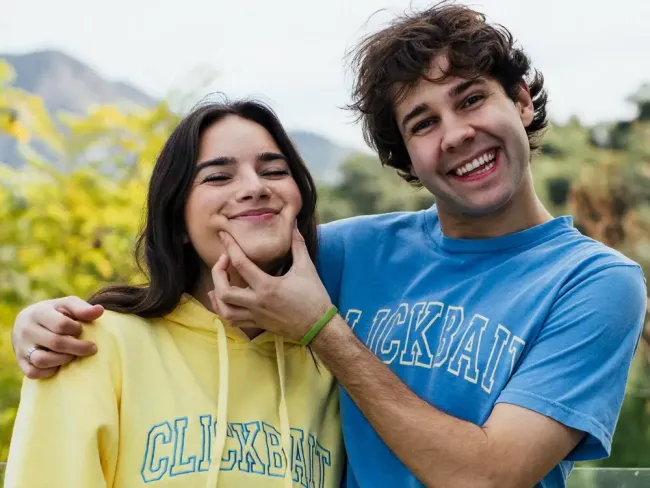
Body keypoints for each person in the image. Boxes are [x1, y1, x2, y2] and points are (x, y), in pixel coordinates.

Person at [8, 3, 648, 488]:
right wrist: (45, 325)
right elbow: (209, 278)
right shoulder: (344, 252)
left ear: (522, 100)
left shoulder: (594, 283)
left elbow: (489, 476)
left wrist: (322, 328)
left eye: (472, 99)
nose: (456, 134)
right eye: (423, 123)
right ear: (404, 157)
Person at [4, 99, 345, 488]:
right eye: (218, 177)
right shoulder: (90, 344)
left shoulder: (332, 357)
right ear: (177, 220)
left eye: (274, 171)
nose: (255, 187)